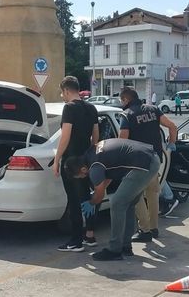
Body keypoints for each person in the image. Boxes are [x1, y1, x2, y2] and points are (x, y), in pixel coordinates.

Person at [64, 138, 160, 261]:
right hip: (150, 158)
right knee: (128, 203)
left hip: (142, 165)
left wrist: (91, 202)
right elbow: (108, 176)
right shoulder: (92, 154)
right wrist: (97, 193)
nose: (83, 178)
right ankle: (126, 246)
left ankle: (115, 250)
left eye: (80, 176)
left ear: (83, 169)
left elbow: (100, 195)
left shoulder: (94, 168)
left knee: (117, 203)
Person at [118, 87, 177, 243]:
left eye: (121, 100)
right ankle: (154, 228)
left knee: (136, 195)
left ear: (125, 99)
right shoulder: (154, 109)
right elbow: (172, 126)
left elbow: (122, 140)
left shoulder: (127, 114)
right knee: (152, 193)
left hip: (138, 161)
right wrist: (171, 143)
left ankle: (144, 231)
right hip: (155, 159)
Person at [52, 76, 100, 252]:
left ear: (66, 90)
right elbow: (96, 135)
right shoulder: (91, 107)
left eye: (62, 92)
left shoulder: (69, 108)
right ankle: (90, 235)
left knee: (73, 201)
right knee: (86, 197)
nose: (62, 96)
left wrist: (57, 159)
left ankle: (75, 241)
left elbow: (65, 136)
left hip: (71, 161)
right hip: (86, 158)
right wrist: (91, 154)